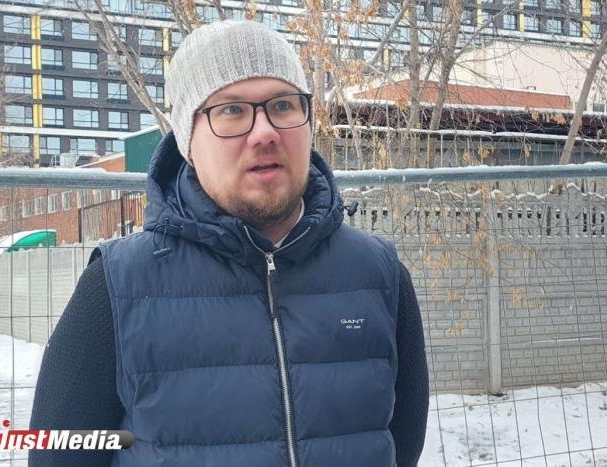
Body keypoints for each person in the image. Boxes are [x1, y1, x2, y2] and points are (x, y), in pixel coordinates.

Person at [29, 20, 428, 467]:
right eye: (232, 110)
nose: (264, 132)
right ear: (188, 141)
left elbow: (402, 445)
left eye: (283, 105)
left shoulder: (379, 275)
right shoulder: (116, 288)